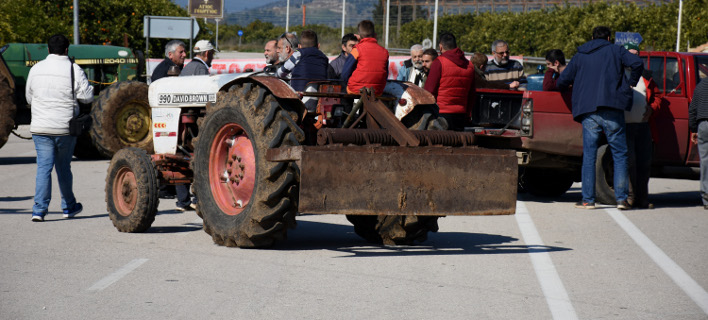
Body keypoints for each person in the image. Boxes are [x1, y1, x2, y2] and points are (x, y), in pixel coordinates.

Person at [556, 26, 644, 210]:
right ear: (609, 37)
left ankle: (588, 200)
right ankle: (621, 199)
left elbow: (564, 80)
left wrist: (561, 87)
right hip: (612, 107)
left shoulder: (580, 54)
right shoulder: (616, 50)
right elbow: (637, 64)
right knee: (619, 154)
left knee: (589, 155)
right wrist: (630, 84)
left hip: (588, 110)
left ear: (592, 37)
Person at [25, 34, 93, 222]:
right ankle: (69, 206)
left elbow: (29, 98)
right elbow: (87, 97)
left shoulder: (36, 69)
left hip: (40, 128)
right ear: (66, 50)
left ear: (48, 50)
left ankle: (39, 210)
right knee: (63, 167)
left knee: (43, 168)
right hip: (65, 128)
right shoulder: (74, 69)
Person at [622, 42, 660, 209]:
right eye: (630, 54)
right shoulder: (619, 74)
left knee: (644, 163)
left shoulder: (646, 76)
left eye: (636, 54)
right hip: (624, 127)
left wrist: (652, 109)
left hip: (644, 127)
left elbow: (657, 97)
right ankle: (629, 198)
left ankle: (642, 199)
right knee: (629, 163)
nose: (633, 57)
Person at [423, 32, 475, 131]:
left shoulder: (439, 62)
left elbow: (429, 92)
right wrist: (468, 115)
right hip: (461, 115)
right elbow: (471, 94)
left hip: (441, 114)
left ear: (440, 47)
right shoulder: (469, 65)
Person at [340, 20, 389, 96]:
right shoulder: (385, 52)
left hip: (356, 89)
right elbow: (385, 75)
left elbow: (345, 73)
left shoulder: (356, 50)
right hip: (377, 91)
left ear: (359, 36)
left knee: (344, 92)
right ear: (375, 35)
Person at [689, 75, 708, 209]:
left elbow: (692, 109)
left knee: (705, 161)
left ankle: (706, 196)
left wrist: (693, 129)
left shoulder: (700, 86)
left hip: (703, 124)